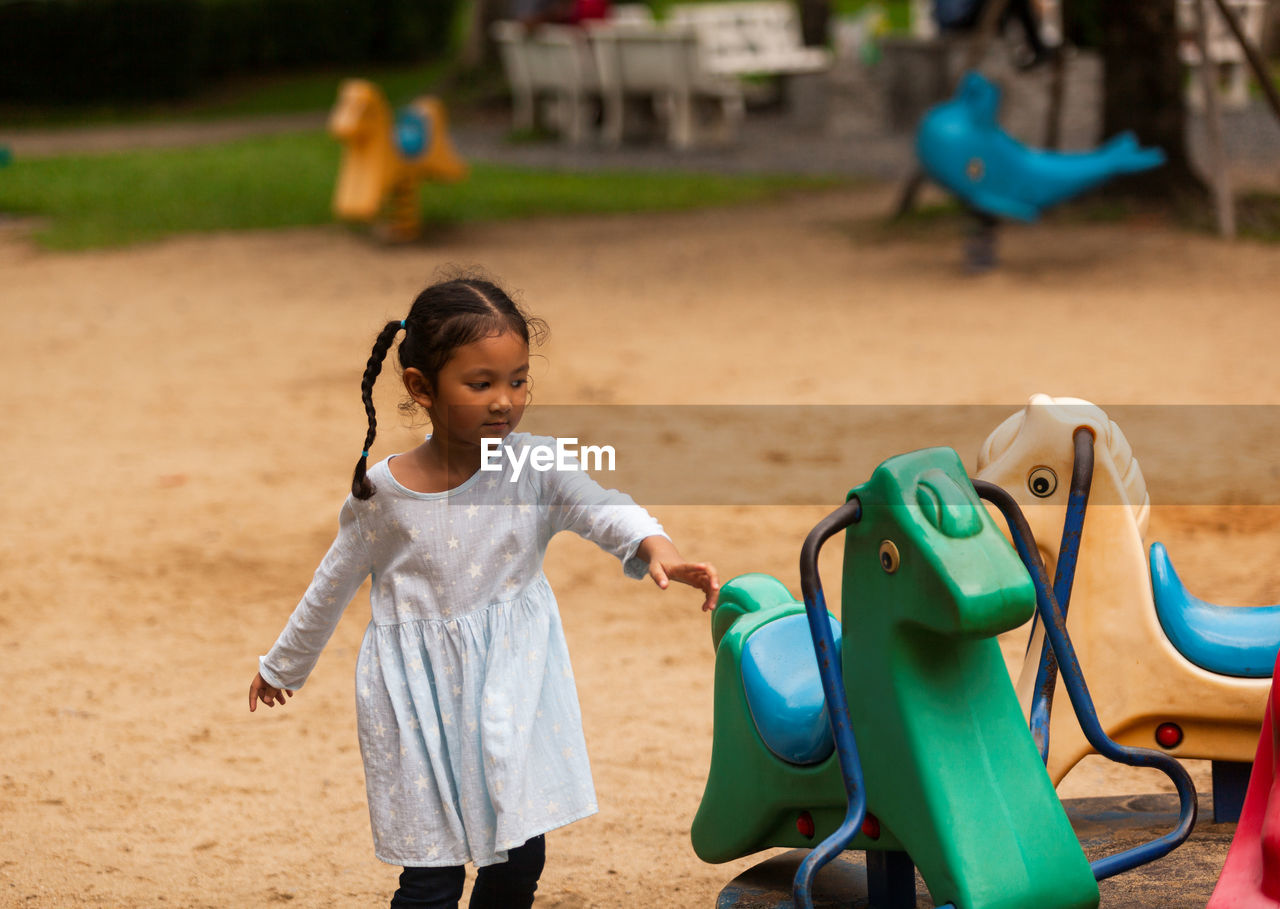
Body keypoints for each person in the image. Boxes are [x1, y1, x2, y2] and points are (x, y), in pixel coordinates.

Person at [247, 273, 719, 909]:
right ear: (422, 387)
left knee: (521, 855)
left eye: (518, 379)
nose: (506, 400)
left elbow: (599, 507)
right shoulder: (382, 496)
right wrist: (283, 666)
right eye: (482, 384)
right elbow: (330, 585)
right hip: (413, 701)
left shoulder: (533, 466)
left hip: (512, 682)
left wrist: (654, 545)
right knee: (431, 878)